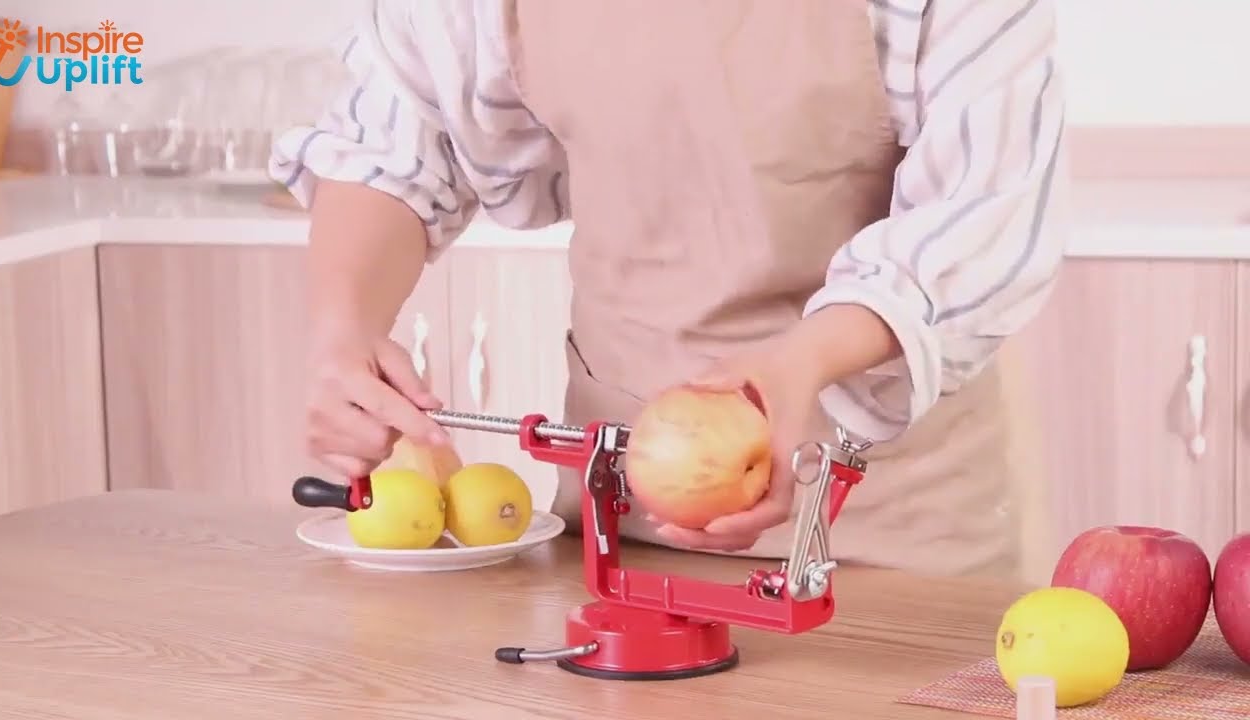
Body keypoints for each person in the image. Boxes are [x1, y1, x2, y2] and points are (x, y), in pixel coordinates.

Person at [270, 0, 1069, 578]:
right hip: (618, 521)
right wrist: (345, 329)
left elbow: (980, 217)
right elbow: (398, 137)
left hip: (899, 530)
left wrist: (801, 364)